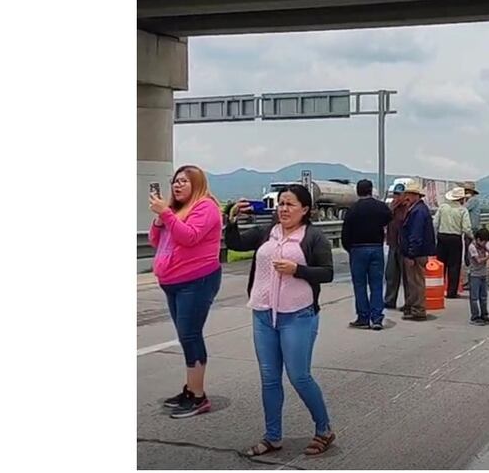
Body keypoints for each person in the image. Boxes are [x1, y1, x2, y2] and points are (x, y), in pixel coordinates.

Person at [224, 185, 337, 458]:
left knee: (299, 376)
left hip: (298, 315)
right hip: (263, 314)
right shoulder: (267, 232)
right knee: (269, 379)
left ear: (305, 209)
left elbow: (327, 273)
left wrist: (297, 270)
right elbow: (236, 244)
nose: (283, 209)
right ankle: (272, 437)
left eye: (290, 204)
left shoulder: (313, 237)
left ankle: (324, 429)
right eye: (281, 204)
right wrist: (230, 219)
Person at [148, 165, 223, 419]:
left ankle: (199, 396)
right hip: (172, 280)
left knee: (190, 335)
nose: (177, 185)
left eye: (184, 181)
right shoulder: (176, 209)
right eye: (175, 181)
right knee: (184, 336)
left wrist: (166, 215)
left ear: (197, 184)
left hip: (197, 280)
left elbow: (189, 237)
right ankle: (190, 388)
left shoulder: (206, 207)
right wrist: (160, 219)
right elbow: (156, 241)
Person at [341, 179, 392, 330]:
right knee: (376, 285)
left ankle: (363, 318)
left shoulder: (353, 209)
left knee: (360, 285)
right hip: (376, 247)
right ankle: (377, 318)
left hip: (357, 249)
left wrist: (349, 248)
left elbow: (345, 234)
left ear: (358, 191)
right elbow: (389, 217)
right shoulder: (380, 207)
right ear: (371, 190)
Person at [399, 181, 436, 321]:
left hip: (417, 254)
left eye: (408, 194)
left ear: (415, 196)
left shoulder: (418, 212)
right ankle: (414, 307)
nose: (406, 197)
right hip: (417, 252)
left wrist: (411, 254)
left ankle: (418, 309)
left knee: (416, 282)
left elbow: (416, 235)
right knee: (414, 282)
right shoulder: (417, 209)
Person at [434, 186, 473, 298]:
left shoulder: (443, 207)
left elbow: (435, 223)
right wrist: (472, 237)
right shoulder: (462, 210)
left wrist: (436, 236)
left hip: (442, 236)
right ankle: (452, 292)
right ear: (462, 199)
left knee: (441, 264)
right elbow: (466, 228)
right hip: (455, 238)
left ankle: (438, 288)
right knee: (454, 266)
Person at [384, 183, 412, 312]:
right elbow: (385, 221)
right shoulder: (392, 207)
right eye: (395, 194)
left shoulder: (408, 208)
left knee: (406, 277)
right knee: (391, 274)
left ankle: (409, 302)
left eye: (398, 194)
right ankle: (390, 300)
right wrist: (391, 209)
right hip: (393, 243)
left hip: (404, 245)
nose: (396, 197)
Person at [465, 227, 489, 325]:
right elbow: (478, 261)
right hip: (475, 274)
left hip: (482, 274)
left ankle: (484, 315)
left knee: (483, 296)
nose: (485, 244)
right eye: (484, 242)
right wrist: (488, 257)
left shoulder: (482, 246)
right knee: (474, 297)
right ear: (478, 240)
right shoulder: (472, 247)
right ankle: (475, 316)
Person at [460, 181, 482, 291]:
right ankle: (470, 280)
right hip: (470, 230)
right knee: (469, 256)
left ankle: (472, 281)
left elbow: (463, 209)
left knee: (470, 255)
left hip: (472, 230)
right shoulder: (472, 200)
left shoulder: (472, 201)